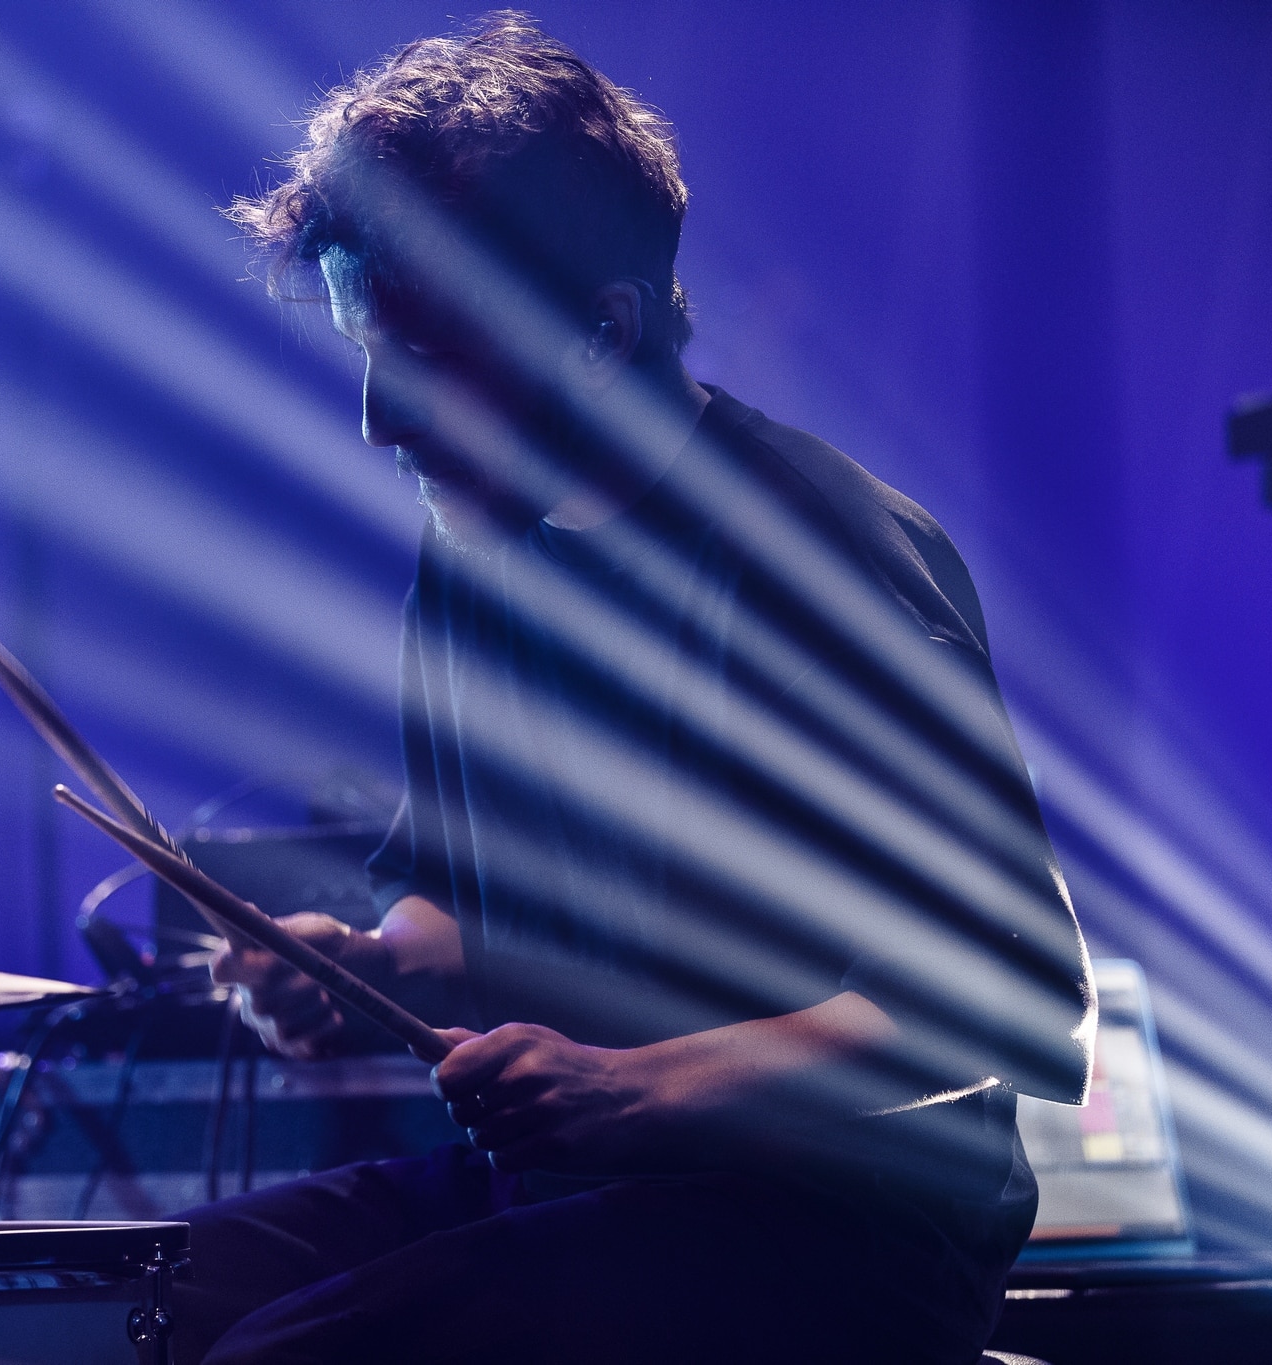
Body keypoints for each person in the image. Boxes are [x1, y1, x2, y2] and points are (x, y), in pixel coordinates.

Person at [175, 13, 1093, 1363]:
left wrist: (639, 1089)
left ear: (602, 332)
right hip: (583, 1190)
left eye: (419, 356)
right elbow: (443, 889)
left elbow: (1009, 999)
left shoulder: (824, 562)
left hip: (840, 1234)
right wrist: (364, 963)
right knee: (159, 1293)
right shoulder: (474, 544)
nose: (375, 419)